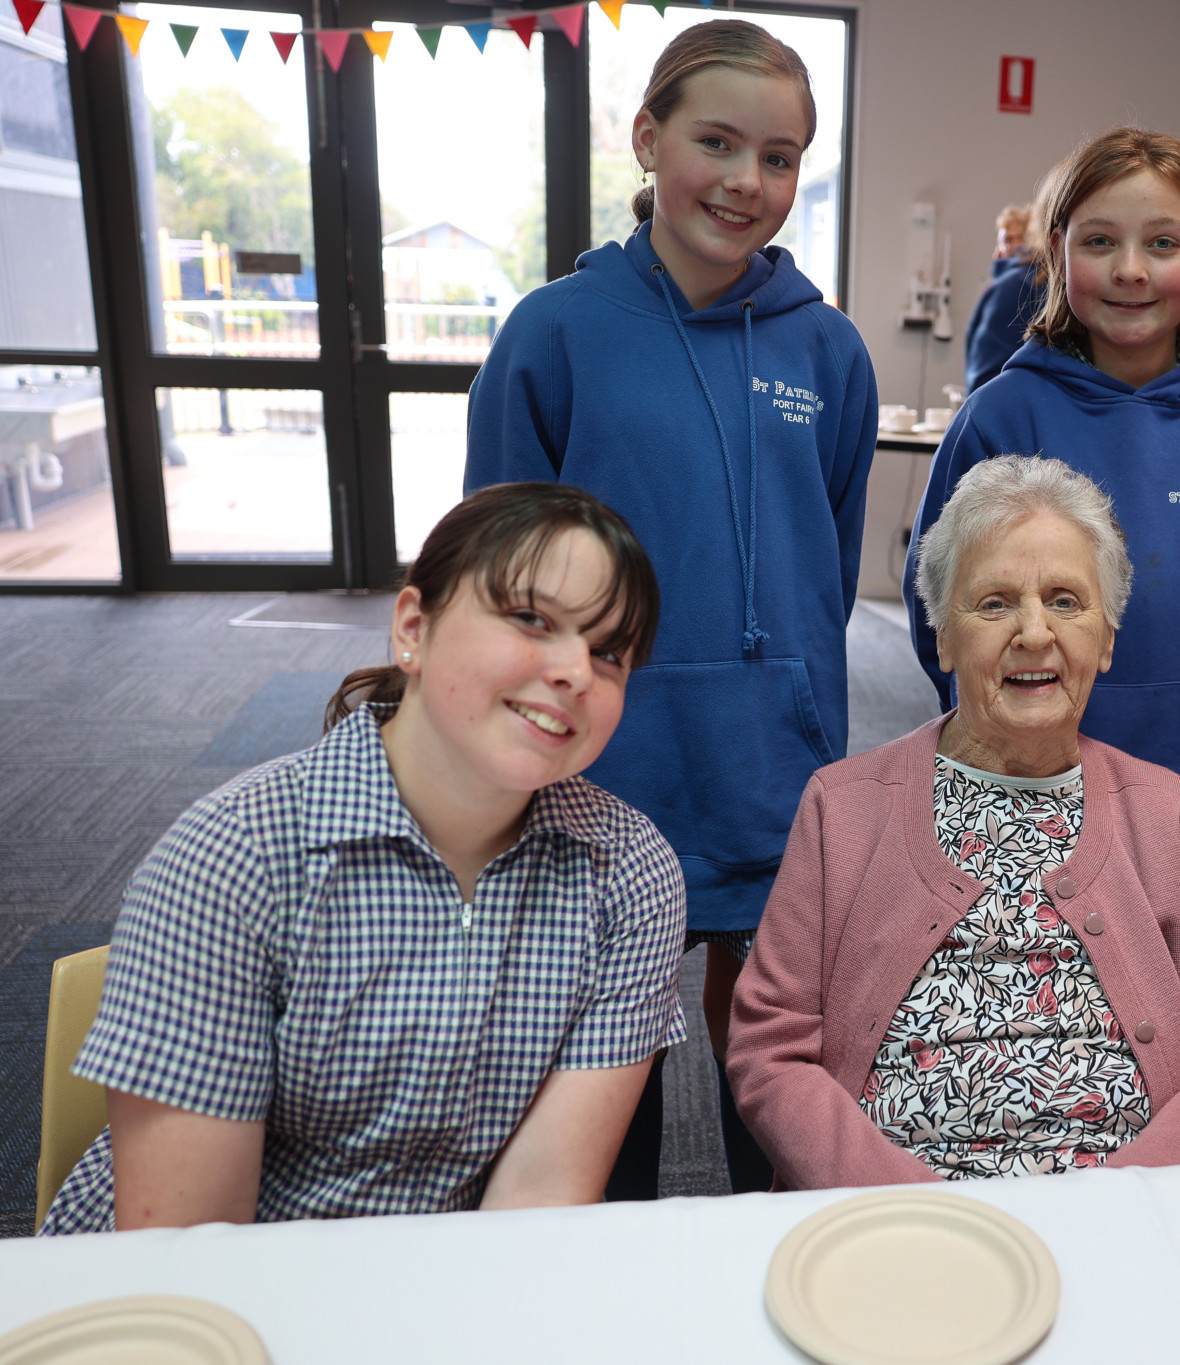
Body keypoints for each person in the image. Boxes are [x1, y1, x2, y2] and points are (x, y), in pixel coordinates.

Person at [464, 19, 877, 1195]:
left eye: (782, 156)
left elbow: (827, 565)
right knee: (606, 1103)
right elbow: (492, 575)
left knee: (778, 1082)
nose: (748, 182)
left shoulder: (828, 351)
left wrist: (789, 690)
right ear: (647, 140)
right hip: (602, 770)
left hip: (770, 764)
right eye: (717, 142)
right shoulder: (557, 331)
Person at [42, 484, 684, 1234]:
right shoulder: (235, 855)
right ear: (413, 627)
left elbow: (537, 1203)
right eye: (531, 618)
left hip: (440, 1285)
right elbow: (189, 1250)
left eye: (609, 650)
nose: (576, 669)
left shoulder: (630, 871)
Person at [730, 456, 1180, 1188]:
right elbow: (770, 1050)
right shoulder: (844, 805)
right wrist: (914, 1208)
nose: (1034, 631)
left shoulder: (1164, 809)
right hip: (898, 1227)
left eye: (1066, 600)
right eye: (994, 603)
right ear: (942, 637)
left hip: (1125, 1220)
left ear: (1108, 638)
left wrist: (1124, 1197)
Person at [905, 128, 1180, 846]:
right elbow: (936, 597)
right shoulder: (1002, 413)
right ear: (1057, 251)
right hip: (1018, 780)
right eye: (1100, 242)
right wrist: (988, 727)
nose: (1131, 270)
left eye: (1163, 244)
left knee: (1164, 958)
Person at [962, 203, 1043, 393]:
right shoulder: (1050, 285)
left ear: (1031, 237)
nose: (997, 253)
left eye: (1007, 240)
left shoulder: (1012, 287)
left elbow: (987, 372)